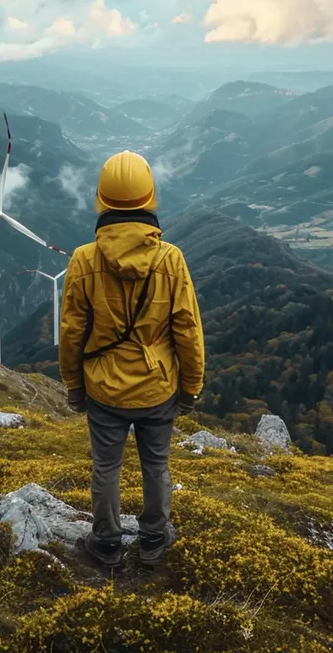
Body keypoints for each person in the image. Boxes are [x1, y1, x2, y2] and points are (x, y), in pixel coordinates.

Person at [59, 149, 205, 568]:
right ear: (150, 197)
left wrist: (74, 384)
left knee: (107, 467)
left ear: (101, 198)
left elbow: (72, 332)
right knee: (156, 465)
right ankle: (154, 539)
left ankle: (105, 542)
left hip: (103, 388)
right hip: (158, 387)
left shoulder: (83, 260)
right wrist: (191, 386)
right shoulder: (170, 260)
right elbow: (187, 330)